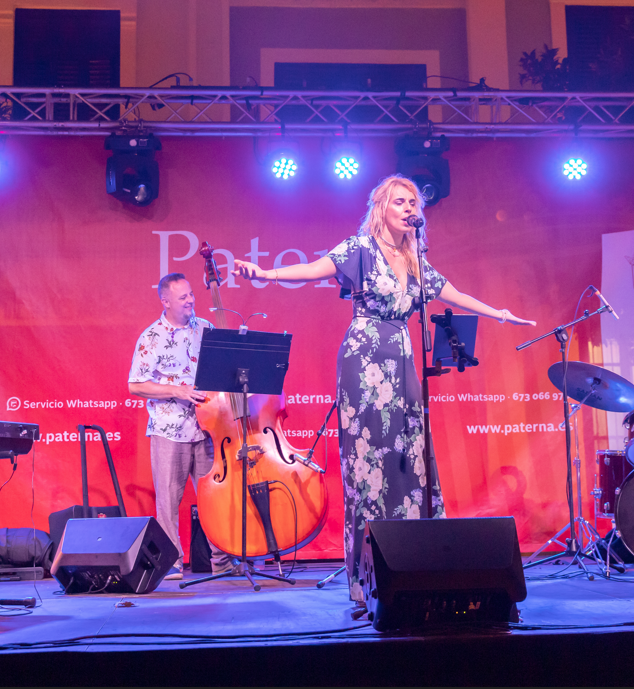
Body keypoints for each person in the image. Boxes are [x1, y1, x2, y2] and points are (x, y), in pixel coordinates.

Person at [232, 175, 536, 605]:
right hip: (364, 357)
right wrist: (267, 273)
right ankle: (365, 579)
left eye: (413, 203)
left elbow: (454, 294)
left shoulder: (415, 259)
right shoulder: (360, 249)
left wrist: (500, 314)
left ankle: (415, 567)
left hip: (402, 357)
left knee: (408, 459)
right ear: (382, 208)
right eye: (400, 202)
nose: (409, 208)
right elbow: (313, 270)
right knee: (368, 463)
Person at [128, 273, 232, 581]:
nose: (190, 300)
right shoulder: (151, 337)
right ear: (166, 301)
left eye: (191, 294)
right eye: (183, 297)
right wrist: (177, 390)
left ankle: (223, 561)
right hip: (169, 430)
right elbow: (136, 385)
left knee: (215, 497)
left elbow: (225, 369)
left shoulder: (206, 328)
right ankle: (171, 564)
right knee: (168, 502)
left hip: (208, 428)